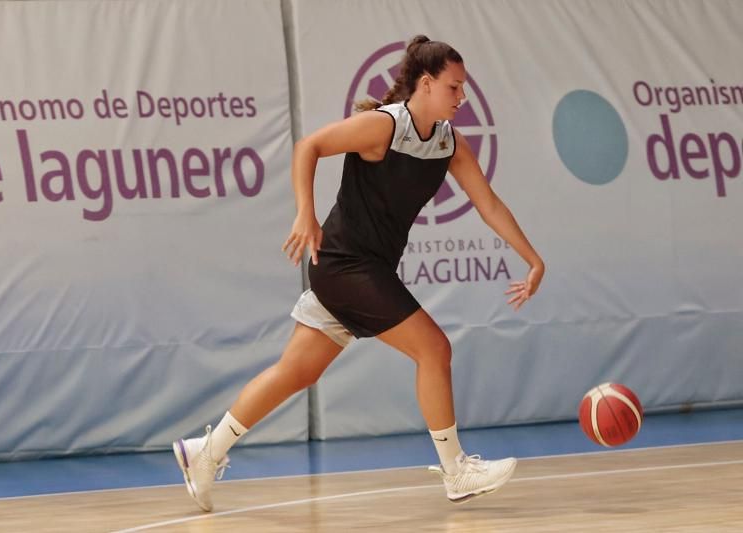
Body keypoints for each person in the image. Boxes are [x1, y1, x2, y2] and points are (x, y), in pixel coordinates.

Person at [172, 35, 545, 512]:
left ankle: (206, 452)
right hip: (345, 264)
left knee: (296, 373)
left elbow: (488, 204)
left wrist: (533, 259)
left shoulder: (450, 145)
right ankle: (456, 471)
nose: (461, 98)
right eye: (454, 88)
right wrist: (306, 213)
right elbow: (310, 147)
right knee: (434, 348)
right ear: (426, 85)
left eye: (463, 89)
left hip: (364, 268)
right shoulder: (383, 128)